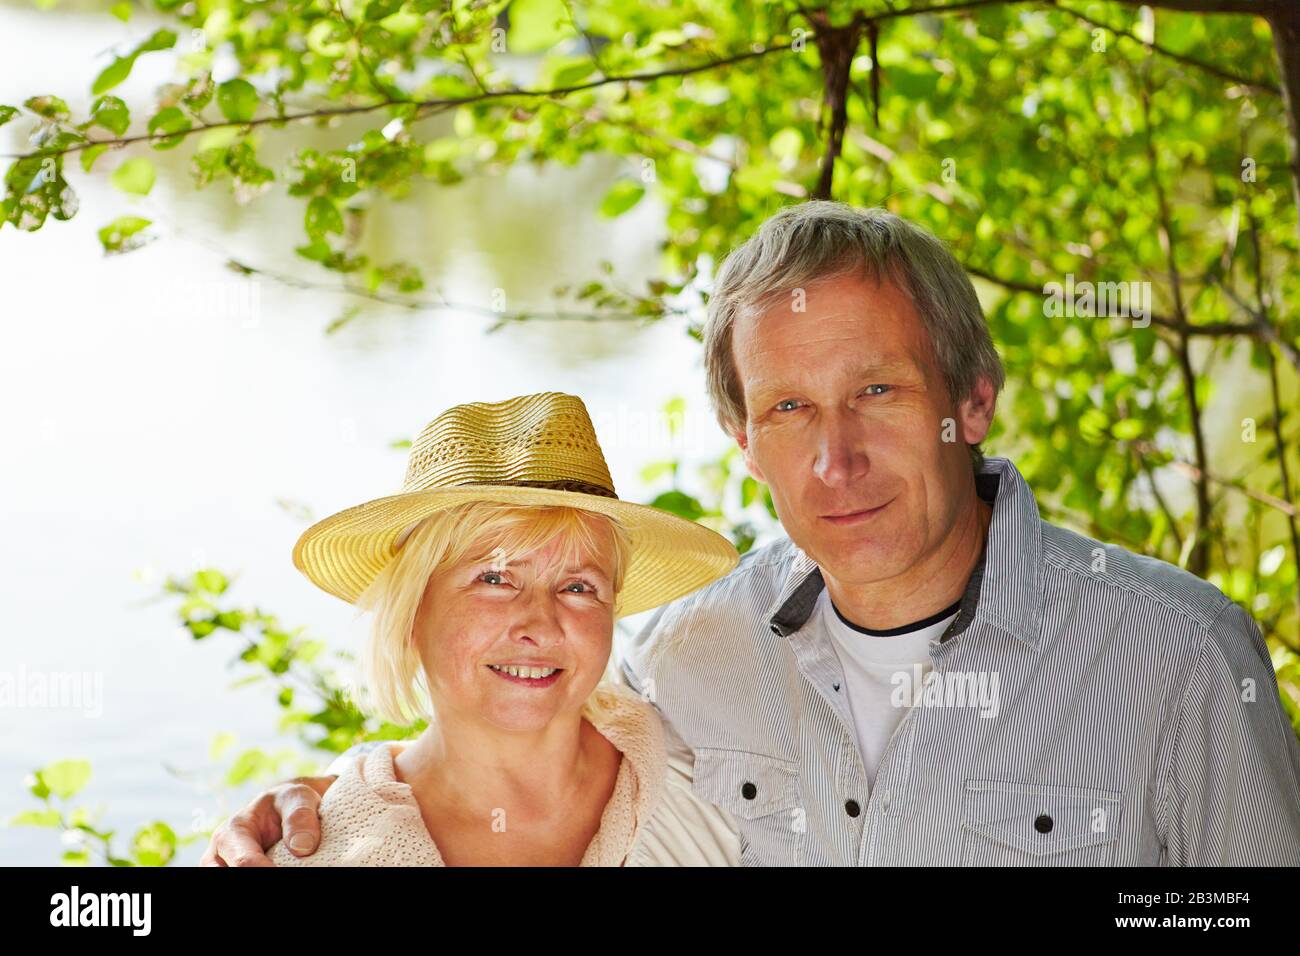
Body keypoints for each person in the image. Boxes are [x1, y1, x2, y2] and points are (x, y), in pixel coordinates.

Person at [204, 201, 1300, 867]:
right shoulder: (688, 656)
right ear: (741, 439)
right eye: (787, 408)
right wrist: (330, 809)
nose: (835, 457)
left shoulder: (1178, 659)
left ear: (970, 400)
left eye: (875, 389)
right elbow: (514, 717)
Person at [213, 391, 741, 866]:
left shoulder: (709, 764)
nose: (541, 624)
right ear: (412, 613)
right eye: (495, 578)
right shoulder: (321, 853)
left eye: (579, 587)